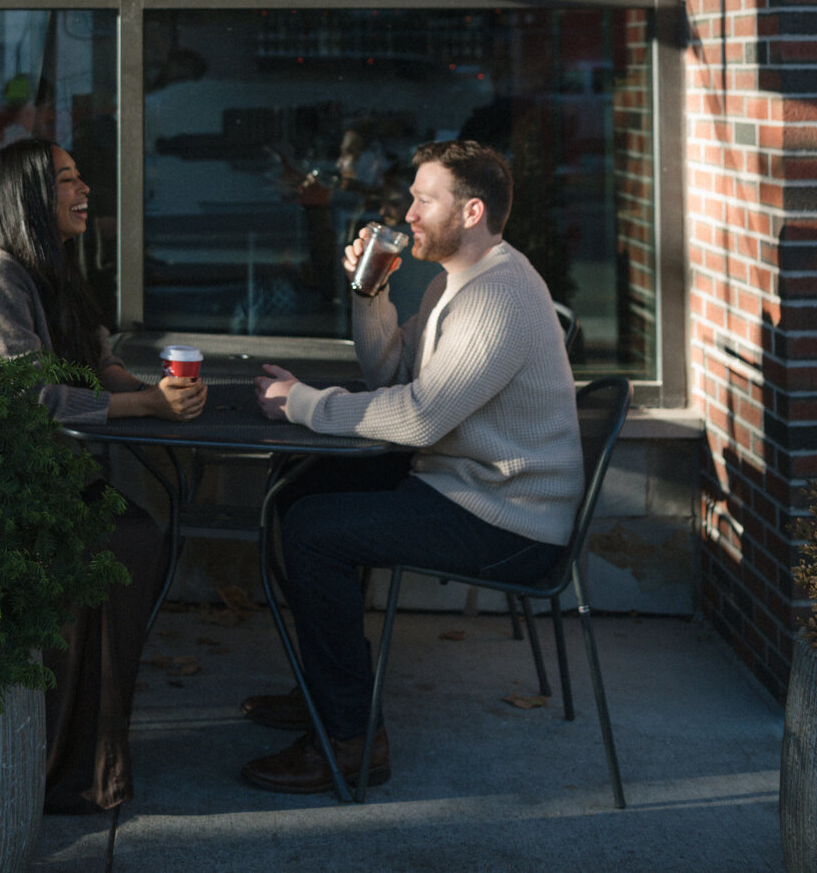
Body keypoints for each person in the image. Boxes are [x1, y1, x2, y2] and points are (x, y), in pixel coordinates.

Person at [239, 139, 584, 795]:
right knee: (300, 485)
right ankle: (327, 688)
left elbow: (420, 417)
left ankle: (349, 740)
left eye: (426, 199)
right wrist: (370, 289)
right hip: (465, 486)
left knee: (315, 529)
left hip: (510, 523)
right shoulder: (458, 283)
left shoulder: (499, 295)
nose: (411, 211)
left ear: (473, 209)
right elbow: (390, 374)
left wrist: (303, 403)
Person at [0, 138, 208, 814]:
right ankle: (64, 767)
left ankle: (93, 757)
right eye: (66, 177)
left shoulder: (56, 267)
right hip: (11, 486)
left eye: (78, 172)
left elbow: (97, 363)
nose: (84, 185)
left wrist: (154, 388)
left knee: (136, 535)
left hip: (56, 474)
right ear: (29, 194)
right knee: (123, 539)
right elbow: (27, 398)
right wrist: (148, 403)